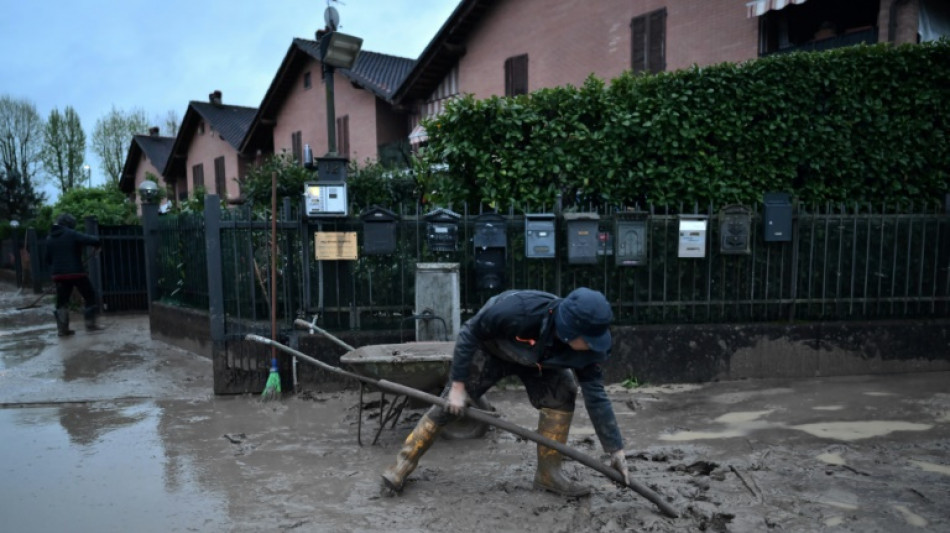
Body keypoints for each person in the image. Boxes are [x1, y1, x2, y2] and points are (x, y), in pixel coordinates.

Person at [381, 287, 629, 497]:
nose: (593, 346)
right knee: (451, 402)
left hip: (539, 363)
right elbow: (470, 332)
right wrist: (457, 388)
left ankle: (548, 475)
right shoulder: (518, 310)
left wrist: (615, 449)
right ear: (568, 330)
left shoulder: (585, 349)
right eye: (589, 339)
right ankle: (403, 462)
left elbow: (596, 395)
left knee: (563, 395)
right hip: (493, 348)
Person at [45, 213, 103, 336]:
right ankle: (90, 325)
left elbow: (48, 260)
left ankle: (63, 330)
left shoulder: (49, 238)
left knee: (62, 302)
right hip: (76, 273)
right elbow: (93, 240)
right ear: (69, 224)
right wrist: (97, 245)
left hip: (59, 275)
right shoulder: (71, 234)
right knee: (90, 296)